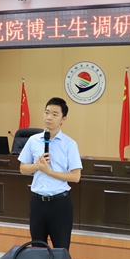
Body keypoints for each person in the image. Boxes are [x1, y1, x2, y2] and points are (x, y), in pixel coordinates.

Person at [18, 97, 82, 250]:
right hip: (38, 203)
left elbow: (75, 177)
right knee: (37, 248)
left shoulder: (69, 144)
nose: (49, 117)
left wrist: (49, 172)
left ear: (63, 119)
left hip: (60, 204)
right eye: (47, 112)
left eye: (54, 114)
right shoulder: (33, 140)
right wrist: (37, 166)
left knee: (61, 249)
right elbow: (23, 168)